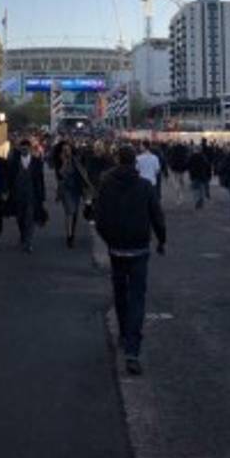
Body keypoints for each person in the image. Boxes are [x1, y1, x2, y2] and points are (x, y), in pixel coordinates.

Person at [95, 145, 166, 376]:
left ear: (117, 160)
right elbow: (157, 215)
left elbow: (99, 217)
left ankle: (124, 333)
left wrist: (109, 239)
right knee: (137, 298)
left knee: (120, 293)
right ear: (135, 163)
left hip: (117, 248)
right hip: (138, 248)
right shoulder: (145, 186)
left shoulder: (106, 185)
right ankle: (132, 351)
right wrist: (161, 240)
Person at [9, 138, 45, 253]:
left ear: (30, 148)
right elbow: (10, 178)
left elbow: (40, 179)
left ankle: (28, 242)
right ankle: (23, 235)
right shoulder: (14, 162)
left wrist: (41, 195)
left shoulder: (36, 161)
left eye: (26, 148)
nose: (24, 150)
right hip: (18, 194)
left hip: (31, 194)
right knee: (20, 218)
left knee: (30, 218)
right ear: (20, 149)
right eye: (22, 148)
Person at [56, 142, 88, 247]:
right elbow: (60, 174)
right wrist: (65, 162)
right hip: (66, 189)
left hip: (76, 189)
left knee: (75, 213)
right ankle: (69, 236)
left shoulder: (76, 160)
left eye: (68, 149)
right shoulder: (60, 160)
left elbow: (82, 173)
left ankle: (72, 233)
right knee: (69, 212)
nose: (66, 151)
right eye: (64, 149)